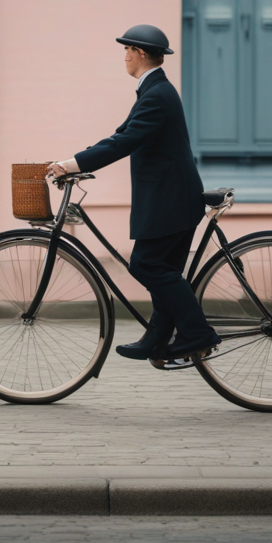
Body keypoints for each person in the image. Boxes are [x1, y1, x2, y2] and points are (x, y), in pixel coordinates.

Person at [48, 24, 221, 363]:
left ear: (140, 53)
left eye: (127, 50)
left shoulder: (157, 94)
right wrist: (78, 160)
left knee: (146, 266)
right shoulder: (155, 90)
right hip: (172, 198)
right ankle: (157, 338)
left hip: (170, 200)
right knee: (163, 269)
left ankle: (197, 333)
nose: (124, 57)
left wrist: (71, 164)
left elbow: (124, 142)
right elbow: (122, 134)